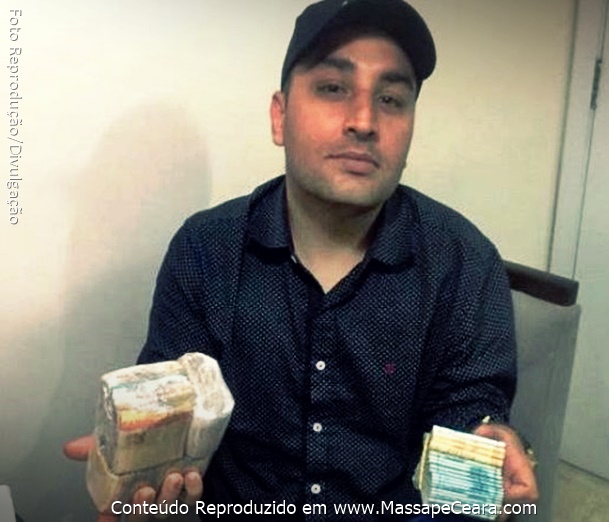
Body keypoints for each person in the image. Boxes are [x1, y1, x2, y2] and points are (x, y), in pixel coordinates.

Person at [64, 0, 538, 520]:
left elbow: (469, 413)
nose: (364, 121)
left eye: (390, 98)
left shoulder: (465, 263)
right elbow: (171, 405)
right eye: (333, 88)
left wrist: (489, 442)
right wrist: (136, 469)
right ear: (280, 115)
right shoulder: (205, 250)